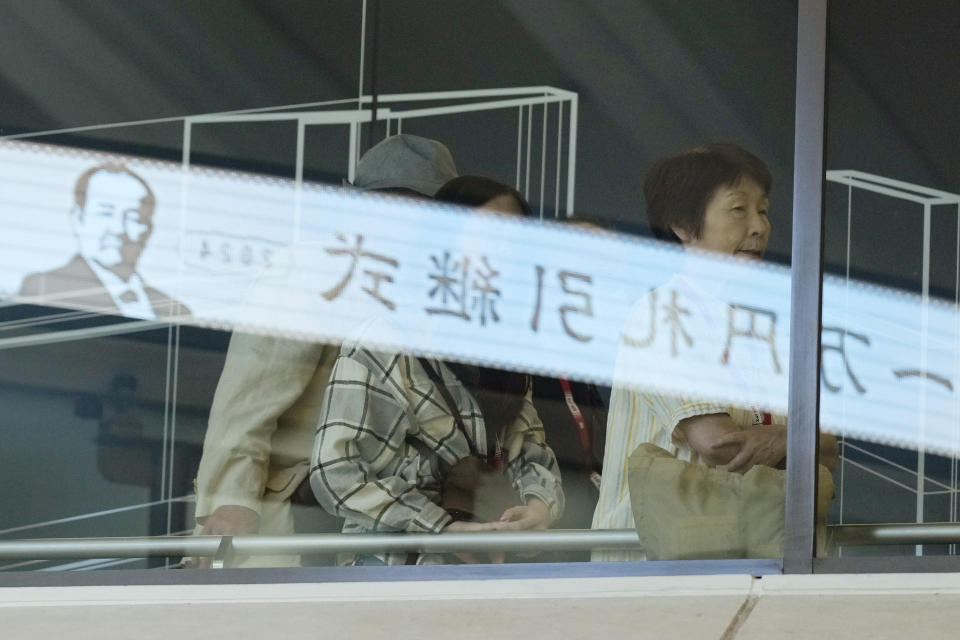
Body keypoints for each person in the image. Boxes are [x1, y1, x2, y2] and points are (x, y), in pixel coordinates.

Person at [191, 134, 459, 568]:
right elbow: (248, 399)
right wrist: (229, 501)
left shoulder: (436, 289)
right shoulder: (316, 268)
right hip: (301, 516)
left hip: (400, 522)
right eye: (397, 205)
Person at [591, 142, 838, 561]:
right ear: (683, 227)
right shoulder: (664, 313)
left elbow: (830, 450)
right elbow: (717, 444)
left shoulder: (768, 328)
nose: (759, 227)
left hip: (750, 555)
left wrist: (781, 437)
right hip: (655, 569)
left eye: (764, 211)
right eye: (738, 209)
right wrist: (794, 439)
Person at [310, 175, 564, 566]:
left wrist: (538, 505)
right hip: (395, 566)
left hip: (484, 559)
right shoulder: (385, 337)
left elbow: (529, 449)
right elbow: (336, 473)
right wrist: (441, 527)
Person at [18, 163, 189, 319]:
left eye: (133, 217)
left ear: (148, 230)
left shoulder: (177, 311)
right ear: (78, 219)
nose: (118, 229)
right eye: (105, 213)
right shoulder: (42, 288)